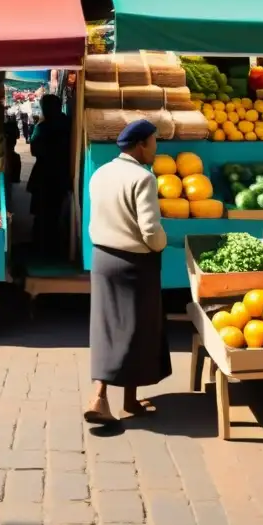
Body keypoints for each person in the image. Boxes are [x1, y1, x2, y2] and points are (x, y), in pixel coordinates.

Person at [84, 119, 171, 424]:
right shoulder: (143, 178)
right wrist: (163, 243)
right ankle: (124, 401)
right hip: (135, 264)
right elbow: (150, 230)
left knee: (107, 327)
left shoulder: (100, 173)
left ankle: (101, 395)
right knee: (137, 331)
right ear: (140, 146)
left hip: (103, 259)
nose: (156, 148)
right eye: (153, 142)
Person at [26, 95, 72, 256]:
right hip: (61, 174)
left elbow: (34, 150)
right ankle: (54, 246)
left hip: (45, 175)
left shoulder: (43, 126)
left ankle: (41, 247)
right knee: (55, 212)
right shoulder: (68, 123)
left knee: (42, 214)